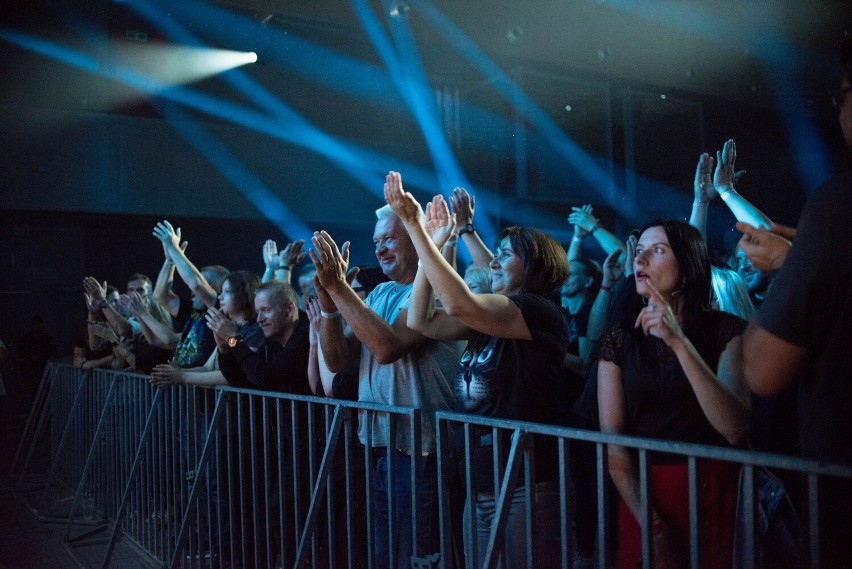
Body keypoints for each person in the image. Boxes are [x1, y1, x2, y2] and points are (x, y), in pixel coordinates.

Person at [384, 172, 569, 568]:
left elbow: (458, 304)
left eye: (507, 252)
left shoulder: (538, 311)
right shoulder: (490, 321)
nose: (496, 259)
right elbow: (422, 320)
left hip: (527, 481)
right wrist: (434, 242)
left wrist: (417, 229)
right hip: (483, 478)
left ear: (536, 264)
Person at [737, 37, 852, 568]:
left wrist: (796, 265)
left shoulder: (838, 205)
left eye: (841, 95)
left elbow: (762, 371)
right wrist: (797, 259)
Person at [310, 191, 463, 569]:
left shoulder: (437, 295)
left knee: (416, 557)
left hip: (422, 453)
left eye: (390, 239)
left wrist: (340, 289)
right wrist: (330, 309)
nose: (379, 249)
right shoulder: (379, 292)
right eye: (376, 241)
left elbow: (387, 347)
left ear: (416, 239)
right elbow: (340, 360)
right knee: (386, 557)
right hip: (382, 448)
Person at [597, 220, 749, 569]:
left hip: (712, 491)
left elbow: (734, 428)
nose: (640, 260)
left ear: (686, 270)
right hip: (642, 495)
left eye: (657, 251)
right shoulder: (620, 339)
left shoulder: (725, 330)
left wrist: (678, 343)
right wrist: (652, 525)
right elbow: (615, 446)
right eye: (640, 252)